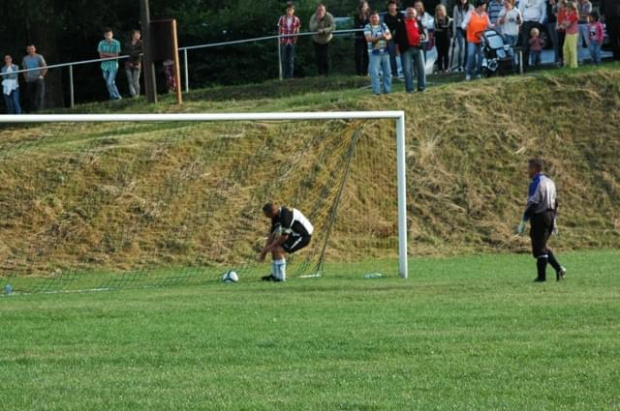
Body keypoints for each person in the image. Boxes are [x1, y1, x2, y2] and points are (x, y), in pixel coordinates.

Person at [516, 159, 566, 283]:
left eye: (529, 168)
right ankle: (558, 268)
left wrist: (524, 220)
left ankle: (541, 277)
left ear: (535, 168)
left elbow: (533, 203)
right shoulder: (550, 181)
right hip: (550, 215)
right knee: (541, 245)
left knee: (539, 248)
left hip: (540, 216)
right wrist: (554, 220)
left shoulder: (536, 183)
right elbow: (556, 202)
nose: (527, 171)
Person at [259, 203, 314, 282]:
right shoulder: (276, 216)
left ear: (272, 212)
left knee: (278, 250)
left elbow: (284, 236)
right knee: (274, 249)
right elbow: (272, 234)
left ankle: (281, 278)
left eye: (266, 214)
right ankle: (275, 276)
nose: (265, 216)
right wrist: (265, 251)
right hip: (294, 234)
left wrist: (269, 248)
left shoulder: (286, 216)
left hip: (303, 235)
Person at [395, 7, 427, 92]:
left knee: (422, 68)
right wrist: (397, 49)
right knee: (407, 70)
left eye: (413, 13)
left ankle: (422, 87)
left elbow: (423, 33)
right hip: (406, 49)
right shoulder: (401, 23)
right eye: (409, 13)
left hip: (418, 47)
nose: (411, 15)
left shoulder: (418, 22)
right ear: (406, 14)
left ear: (415, 14)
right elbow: (396, 38)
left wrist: (423, 36)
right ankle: (409, 89)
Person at [365, 9, 393, 94]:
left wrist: (386, 37)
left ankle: (387, 91)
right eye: (372, 17)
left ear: (378, 17)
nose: (374, 19)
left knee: (387, 73)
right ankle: (376, 92)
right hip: (374, 53)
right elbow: (368, 39)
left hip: (385, 52)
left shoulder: (383, 25)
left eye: (376, 17)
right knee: (375, 73)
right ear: (369, 18)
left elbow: (389, 36)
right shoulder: (368, 27)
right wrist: (380, 37)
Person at [462, 0, 491, 80]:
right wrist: (465, 26)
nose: (485, 7)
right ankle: (468, 73)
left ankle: (478, 72)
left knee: (481, 56)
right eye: (484, 5)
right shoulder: (471, 13)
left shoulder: (485, 15)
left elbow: (489, 25)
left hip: (481, 39)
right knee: (471, 55)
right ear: (479, 6)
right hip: (472, 38)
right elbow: (463, 24)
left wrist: (496, 24)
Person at [309, 3, 336, 76]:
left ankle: (327, 74)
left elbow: (333, 27)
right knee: (318, 58)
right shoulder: (313, 17)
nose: (320, 12)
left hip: (327, 40)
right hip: (316, 40)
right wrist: (317, 22)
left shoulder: (329, 16)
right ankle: (320, 74)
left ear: (325, 10)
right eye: (319, 10)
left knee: (326, 57)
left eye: (322, 10)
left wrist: (324, 30)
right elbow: (311, 28)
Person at [519, 0, 546, 70]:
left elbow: (544, 11)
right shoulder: (522, 1)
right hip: (526, 22)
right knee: (525, 44)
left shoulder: (541, 1)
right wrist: (521, 23)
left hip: (536, 22)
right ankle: (525, 64)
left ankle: (537, 63)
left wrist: (540, 22)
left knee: (537, 43)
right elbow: (520, 12)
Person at [97, 27, 122, 101]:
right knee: (110, 83)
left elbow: (116, 56)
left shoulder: (117, 43)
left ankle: (116, 97)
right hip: (104, 66)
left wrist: (106, 54)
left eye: (109, 35)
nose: (108, 36)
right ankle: (115, 97)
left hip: (113, 65)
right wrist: (111, 55)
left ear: (112, 35)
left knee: (109, 82)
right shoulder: (101, 43)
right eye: (107, 35)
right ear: (104, 35)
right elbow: (101, 56)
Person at [278, 2, 301, 79]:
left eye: (291, 10)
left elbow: (297, 30)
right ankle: (284, 77)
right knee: (284, 59)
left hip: (291, 41)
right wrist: (280, 39)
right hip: (284, 41)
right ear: (286, 10)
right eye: (288, 10)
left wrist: (295, 40)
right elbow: (279, 29)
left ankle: (290, 77)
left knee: (291, 60)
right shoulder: (282, 18)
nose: (289, 12)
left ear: (293, 11)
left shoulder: (296, 19)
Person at [21, 44, 47, 112]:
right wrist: (26, 78)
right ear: (27, 50)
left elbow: (45, 67)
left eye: (32, 49)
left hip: (38, 78)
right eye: (29, 49)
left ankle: (40, 111)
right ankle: (32, 111)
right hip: (30, 79)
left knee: (40, 95)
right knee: (30, 96)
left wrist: (41, 76)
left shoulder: (39, 57)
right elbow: (24, 69)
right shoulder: (25, 58)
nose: (31, 50)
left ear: (35, 49)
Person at [498, 0, 523, 68]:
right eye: (504, 3)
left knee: (513, 50)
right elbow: (499, 22)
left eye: (507, 3)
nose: (505, 5)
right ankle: (514, 66)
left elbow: (519, 23)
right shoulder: (502, 11)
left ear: (511, 3)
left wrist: (518, 19)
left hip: (515, 33)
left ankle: (514, 65)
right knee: (510, 50)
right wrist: (506, 13)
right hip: (506, 33)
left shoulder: (517, 11)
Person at [452, 0, 474, 72]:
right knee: (461, 47)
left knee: (468, 48)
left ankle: (465, 65)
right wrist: (454, 32)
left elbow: (472, 19)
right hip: (459, 29)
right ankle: (460, 66)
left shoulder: (471, 7)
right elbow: (454, 20)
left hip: (467, 29)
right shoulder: (456, 7)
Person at [383, 0, 403, 77]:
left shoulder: (400, 15)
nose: (392, 7)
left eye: (393, 5)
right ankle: (394, 73)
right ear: (388, 7)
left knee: (402, 54)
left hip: (401, 38)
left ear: (396, 6)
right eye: (390, 5)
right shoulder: (386, 16)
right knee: (392, 56)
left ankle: (405, 72)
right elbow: (385, 27)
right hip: (390, 38)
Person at [561, 1, 579, 68]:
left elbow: (568, 24)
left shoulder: (574, 14)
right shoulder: (567, 14)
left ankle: (574, 65)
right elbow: (563, 22)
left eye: (567, 7)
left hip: (573, 34)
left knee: (572, 49)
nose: (566, 8)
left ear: (570, 7)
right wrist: (564, 24)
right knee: (565, 48)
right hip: (568, 33)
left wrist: (563, 26)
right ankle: (567, 63)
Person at [434, 5, 452, 73]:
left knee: (446, 54)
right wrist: (442, 28)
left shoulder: (447, 18)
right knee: (439, 54)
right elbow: (436, 29)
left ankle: (446, 68)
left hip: (446, 38)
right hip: (438, 38)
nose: (439, 12)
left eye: (440, 10)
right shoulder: (435, 19)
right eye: (438, 10)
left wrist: (441, 28)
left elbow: (447, 27)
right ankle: (440, 69)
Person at [124, 30, 142, 98]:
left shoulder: (141, 43)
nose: (138, 35)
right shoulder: (128, 43)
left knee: (135, 80)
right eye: (137, 34)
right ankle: (133, 95)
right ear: (133, 35)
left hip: (137, 63)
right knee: (130, 80)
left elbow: (141, 50)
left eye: (139, 34)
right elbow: (125, 52)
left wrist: (133, 53)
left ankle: (137, 95)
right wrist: (132, 53)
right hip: (128, 64)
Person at [354, 1, 370, 76]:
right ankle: (358, 72)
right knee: (358, 55)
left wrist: (364, 27)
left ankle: (365, 72)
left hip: (367, 38)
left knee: (366, 55)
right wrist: (364, 27)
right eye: (363, 7)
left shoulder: (369, 15)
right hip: (359, 38)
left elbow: (369, 25)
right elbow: (357, 26)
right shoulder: (357, 16)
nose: (364, 8)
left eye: (365, 6)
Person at [547, 0, 560, 64]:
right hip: (549, 23)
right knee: (553, 41)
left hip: (556, 23)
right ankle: (556, 57)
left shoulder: (557, 5)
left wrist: (554, 7)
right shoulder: (547, 5)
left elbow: (558, 16)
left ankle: (559, 57)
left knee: (557, 41)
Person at [556, 0, 567, 66]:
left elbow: (566, 20)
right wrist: (557, 26)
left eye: (559, 3)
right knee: (560, 45)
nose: (558, 4)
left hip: (565, 30)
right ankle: (560, 60)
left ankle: (565, 60)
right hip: (559, 30)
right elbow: (558, 19)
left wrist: (561, 26)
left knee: (564, 45)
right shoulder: (559, 11)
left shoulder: (566, 11)